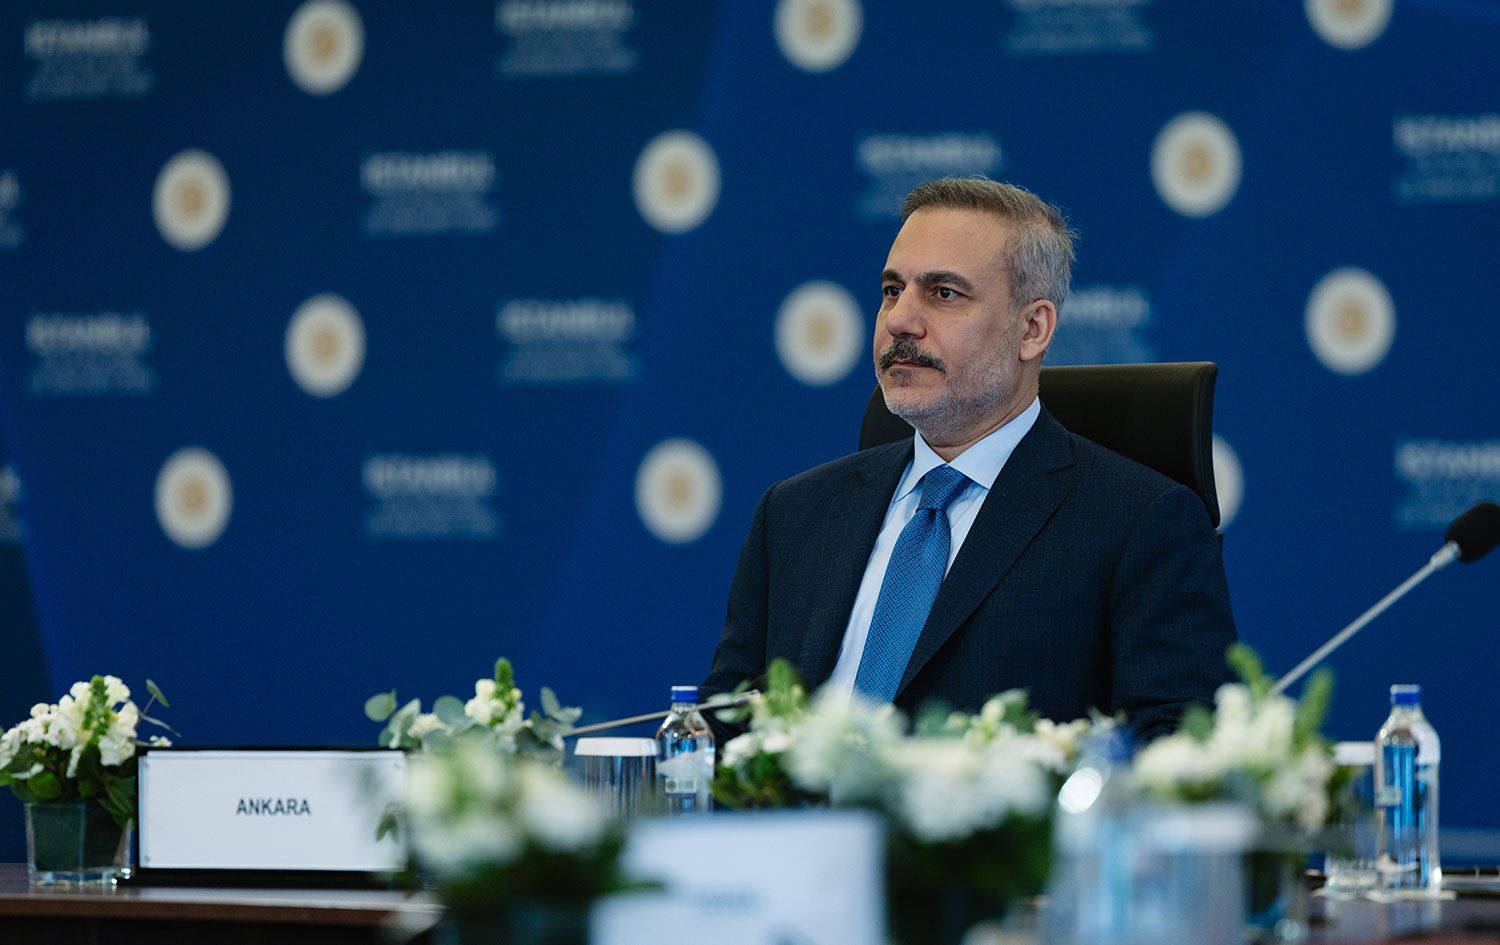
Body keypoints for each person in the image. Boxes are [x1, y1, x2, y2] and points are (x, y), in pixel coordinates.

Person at [701, 177, 1235, 740]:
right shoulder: (795, 514)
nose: (900, 320)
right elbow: (725, 728)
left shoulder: (1139, 523)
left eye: (944, 293)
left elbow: (1177, 748)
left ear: (1032, 329)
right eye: (892, 290)